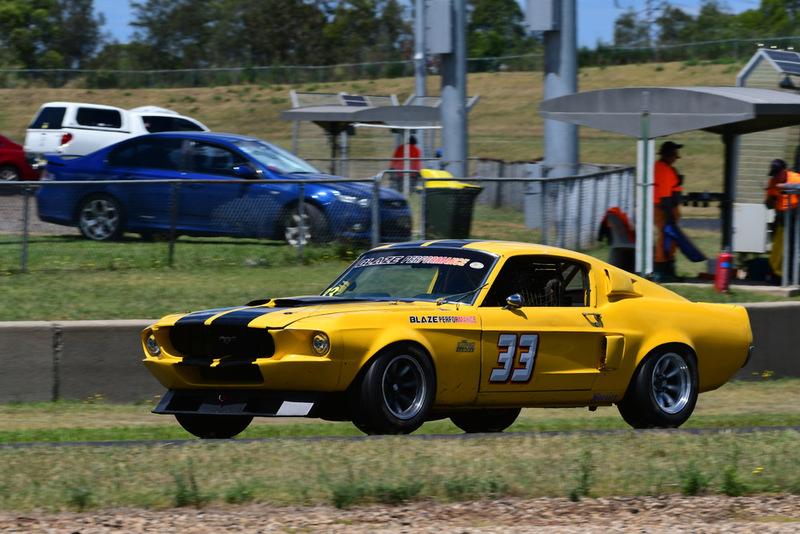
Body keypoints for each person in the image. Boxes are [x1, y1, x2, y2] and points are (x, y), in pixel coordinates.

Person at [653, 140, 684, 282]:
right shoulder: (664, 170)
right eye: (675, 152)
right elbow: (665, 195)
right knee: (665, 238)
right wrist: (670, 214)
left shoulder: (663, 167)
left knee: (669, 239)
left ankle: (668, 270)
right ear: (669, 154)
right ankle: (661, 271)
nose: (677, 155)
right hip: (664, 209)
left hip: (664, 208)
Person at [764, 158, 800, 282]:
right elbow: (768, 205)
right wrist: (771, 199)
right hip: (780, 219)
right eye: (773, 175)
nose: (775, 177)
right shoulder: (772, 182)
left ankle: (788, 275)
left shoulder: (794, 177)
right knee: (777, 249)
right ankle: (777, 274)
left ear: (784, 171)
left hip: (794, 218)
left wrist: (784, 186)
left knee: (790, 249)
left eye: (777, 174)